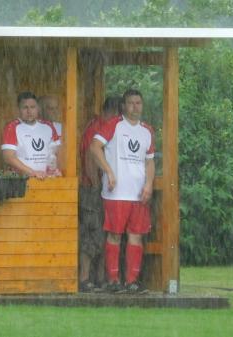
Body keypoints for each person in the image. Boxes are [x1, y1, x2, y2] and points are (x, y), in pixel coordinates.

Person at [90, 89, 155, 293]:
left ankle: (131, 281)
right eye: (131, 103)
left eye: (138, 103)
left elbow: (150, 161)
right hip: (116, 192)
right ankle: (113, 281)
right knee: (115, 235)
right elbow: (94, 147)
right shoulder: (114, 125)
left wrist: (149, 184)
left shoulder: (147, 131)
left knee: (136, 235)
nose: (135, 107)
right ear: (124, 106)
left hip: (138, 194)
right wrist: (108, 171)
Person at [78, 96, 123, 292]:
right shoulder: (97, 128)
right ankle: (85, 278)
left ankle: (101, 277)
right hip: (92, 189)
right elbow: (90, 159)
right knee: (92, 232)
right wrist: (96, 186)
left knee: (104, 233)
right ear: (115, 112)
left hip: (104, 189)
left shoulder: (103, 126)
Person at [2, 91, 61, 179]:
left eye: (32, 107)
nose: (29, 111)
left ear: (37, 108)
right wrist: (32, 172)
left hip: (47, 180)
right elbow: (8, 157)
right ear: (18, 109)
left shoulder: (48, 126)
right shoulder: (11, 127)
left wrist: (55, 169)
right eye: (25, 108)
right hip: (22, 181)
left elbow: (59, 151)